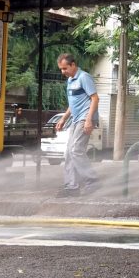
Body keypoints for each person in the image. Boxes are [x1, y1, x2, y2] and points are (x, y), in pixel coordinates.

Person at [55, 53, 100, 197]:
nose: (63, 72)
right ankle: (72, 186)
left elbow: (95, 98)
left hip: (84, 119)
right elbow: (72, 103)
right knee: (68, 152)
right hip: (75, 120)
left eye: (65, 68)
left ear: (73, 65)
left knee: (76, 150)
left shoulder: (83, 77)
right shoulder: (70, 80)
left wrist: (88, 120)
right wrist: (63, 118)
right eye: (61, 69)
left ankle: (92, 182)